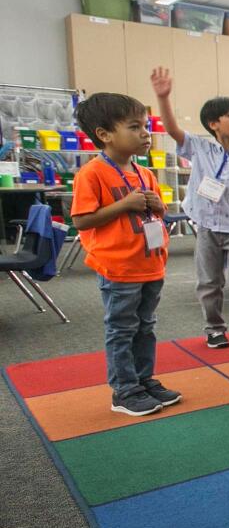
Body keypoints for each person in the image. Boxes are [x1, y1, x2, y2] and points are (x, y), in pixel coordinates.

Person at [72, 93, 176, 416]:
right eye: (134, 127)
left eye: (145, 126)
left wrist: (159, 207)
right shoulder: (92, 174)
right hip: (118, 268)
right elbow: (81, 220)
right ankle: (124, 389)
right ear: (104, 134)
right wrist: (124, 205)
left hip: (149, 265)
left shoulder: (145, 174)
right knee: (121, 328)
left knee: (146, 326)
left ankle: (143, 379)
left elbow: (158, 212)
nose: (145, 133)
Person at [150, 68, 229, 349]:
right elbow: (171, 129)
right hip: (206, 226)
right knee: (208, 281)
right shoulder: (200, 148)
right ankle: (214, 328)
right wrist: (163, 97)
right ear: (213, 123)